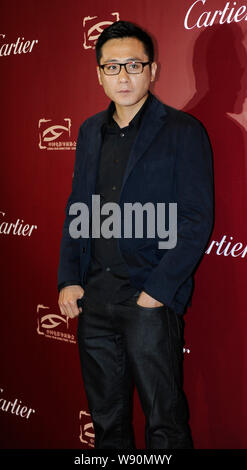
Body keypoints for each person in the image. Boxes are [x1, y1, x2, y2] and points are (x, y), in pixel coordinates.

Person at [57, 20, 214, 449]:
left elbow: (197, 219)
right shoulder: (90, 131)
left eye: (134, 65)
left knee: (165, 425)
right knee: (108, 424)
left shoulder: (183, 131)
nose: (123, 76)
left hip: (148, 299)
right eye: (112, 67)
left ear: (153, 70)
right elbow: (79, 207)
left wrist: (157, 293)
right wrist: (69, 277)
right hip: (95, 298)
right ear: (98, 74)